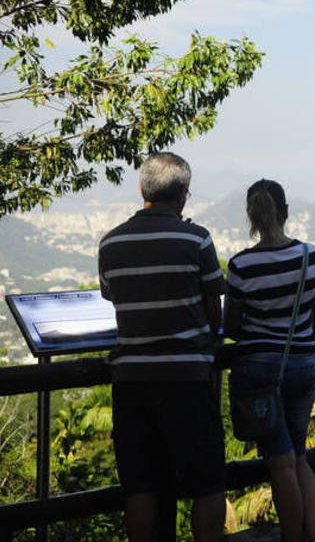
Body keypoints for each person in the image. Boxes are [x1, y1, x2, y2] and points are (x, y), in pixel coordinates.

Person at [98, 152, 226, 542]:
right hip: (187, 377)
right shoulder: (196, 239)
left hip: (131, 379)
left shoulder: (111, 243)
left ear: (141, 190)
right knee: (207, 483)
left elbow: (111, 295)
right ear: (184, 194)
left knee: (140, 486)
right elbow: (213, 306)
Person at [224, 179, 315, 542]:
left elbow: (232, 327)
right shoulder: (311, 257)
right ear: (285, 212)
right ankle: (312, 535)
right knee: (299, 457)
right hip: (302, 364)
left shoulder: (241, 266)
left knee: (280, 462)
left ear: (251, 216)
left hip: (257, 372)